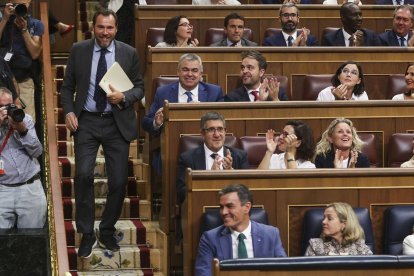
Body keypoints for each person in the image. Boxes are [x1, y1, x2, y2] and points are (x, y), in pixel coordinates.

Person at [60, 9, 144, 258]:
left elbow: (139, 87)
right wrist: (68, 112)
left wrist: (124, 97)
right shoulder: (79, 49)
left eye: (109, 28)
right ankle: (86, 234)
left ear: (116, 29)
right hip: (86, 121)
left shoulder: (129, 53)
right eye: (100, 27)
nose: (105, 33)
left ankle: (106, 230)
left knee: (118, 182)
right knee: (84, 175)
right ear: (93, 28)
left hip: (116, 122)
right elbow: (67, 88)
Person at [195, 183, 287, 275]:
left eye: (230, 206)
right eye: (221, 207)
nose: (224, 212)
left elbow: (284, 271)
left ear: (246, 207)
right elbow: (203, 273)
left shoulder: (271, 234)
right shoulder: (210, 238)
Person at [176, 112, 249, 205]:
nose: (217, 134)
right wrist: (209, 177)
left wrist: (231, 173)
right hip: (202, 206)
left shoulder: (240, 156)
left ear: (225, 131)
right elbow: (182, 194)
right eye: (211, 130)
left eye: (220, 129)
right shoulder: (187, 158)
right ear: (202, 133)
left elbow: (246, 193)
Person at [143, 53, 224, 135]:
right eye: (185, 70)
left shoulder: (214, 92)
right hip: (172, 140)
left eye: (194, 70)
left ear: (200, 74)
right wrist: (157, 123)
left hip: (204, 142)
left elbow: (223, 122)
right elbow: (146, 122)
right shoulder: (163, 92)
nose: (189, 74)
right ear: (178, 72)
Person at [0, 87, 46, 229]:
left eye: (8, 106)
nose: (5, 111)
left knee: (31, 243)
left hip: (30, 189)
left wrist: (22, 130)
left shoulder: (25, 120)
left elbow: (37, 152)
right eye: (1, 107)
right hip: (2, 191)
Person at [0, 0, 44, 123]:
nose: (19, 8)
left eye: (22, 5)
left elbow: (35, 53)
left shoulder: (36, 24)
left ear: (29, 3)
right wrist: (4, 19)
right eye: (16, 4)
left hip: (24, 81)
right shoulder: (4, 21)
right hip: (2, 82)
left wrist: (24, 30)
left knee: (26, 122)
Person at [304, 202, 373, 256]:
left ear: (344, 224)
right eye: (324, 218)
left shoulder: (360, 247)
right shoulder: (315, 246)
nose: (323, 222)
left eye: (329, 218)